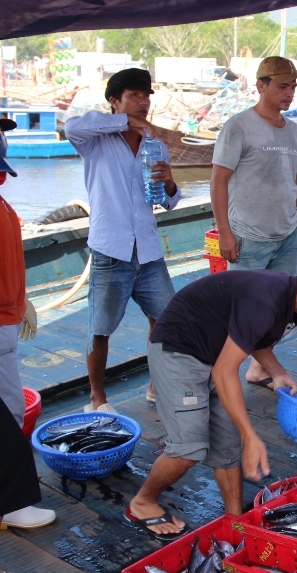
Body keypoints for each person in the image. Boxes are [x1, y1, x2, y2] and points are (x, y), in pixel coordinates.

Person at [126, 257, 297, 539]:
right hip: (178, 350)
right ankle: (142, 502)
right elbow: (227, 371)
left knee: (227, 444)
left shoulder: (287, 300)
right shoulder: (265, 300)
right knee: (189, 447)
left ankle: (236, 521)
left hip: (213, 353)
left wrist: (277, 372)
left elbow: (254, 339)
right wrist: (251, 436)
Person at [65, 68, 181, 412]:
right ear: (114, 102)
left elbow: (167, 200)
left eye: (146, 96)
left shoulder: (155, 144)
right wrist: (123, 122)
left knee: (167, 321)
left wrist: (171, 182)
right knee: (100, 329)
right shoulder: (94, 141)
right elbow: (72, 125)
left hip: (147, 252)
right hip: (110, 250)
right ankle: (97, 399)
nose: (142, 102)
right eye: (133, 96)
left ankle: (156, 385)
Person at [211, 56, 297, 388]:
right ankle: (219, 374)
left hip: (286, 235)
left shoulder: (293, 130)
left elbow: (296, 183)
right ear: (261, 85)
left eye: (293, 86)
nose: (289, 93)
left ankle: (258, 367)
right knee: (246, 311)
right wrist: (225, 232)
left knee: (279, 310)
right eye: (283, 86)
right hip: (249, 238)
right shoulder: (238, 125)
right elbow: (219, 181)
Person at [0, 119, 56, 573]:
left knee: (10, 412)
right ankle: (10, 501)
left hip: (7, 314)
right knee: (6, 417)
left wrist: (23, 299)